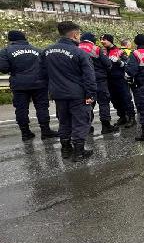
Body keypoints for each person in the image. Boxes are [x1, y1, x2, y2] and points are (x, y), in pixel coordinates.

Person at [39, 21, 96, 161]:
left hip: (58, 94)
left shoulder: (46, 52)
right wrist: (91, 94)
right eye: (79, 34)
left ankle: (65, 149)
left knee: (64, 121)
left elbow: (42, 74)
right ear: (75, 34)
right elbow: (89, 76)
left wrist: (51, 89)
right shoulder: (79, 53)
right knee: (81, 121)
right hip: (78, 94)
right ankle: (79, 152)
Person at [0, 30, 58, 141]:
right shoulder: (37, 50)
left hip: (19, 84)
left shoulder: (5, 51)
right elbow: (46, 66)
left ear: (10, 39)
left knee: (21, 109)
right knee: (42, 107)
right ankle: (45, 131)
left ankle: (25, 133)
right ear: (24, 38)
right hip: (39, 83)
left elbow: (3, 68)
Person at [79, 32, 119, 134]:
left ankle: (87, 127)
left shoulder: (76, 48)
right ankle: (106, 126)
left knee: (88, 104)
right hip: (99, 80)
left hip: (83, 82)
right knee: (104, 102)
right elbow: (107, 63)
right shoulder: (95, 48)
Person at [100, 34, 136, 127]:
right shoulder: (101, 51)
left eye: (104, 39)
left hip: (120, 79)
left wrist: (119, 62)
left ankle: (131, 118)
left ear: (110, 40)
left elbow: (127, 64)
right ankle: (122, 117)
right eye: (101, 39)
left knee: (126, 98)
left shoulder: (119, 51)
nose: (102, 41)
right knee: (114, 100)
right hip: (108, 80)